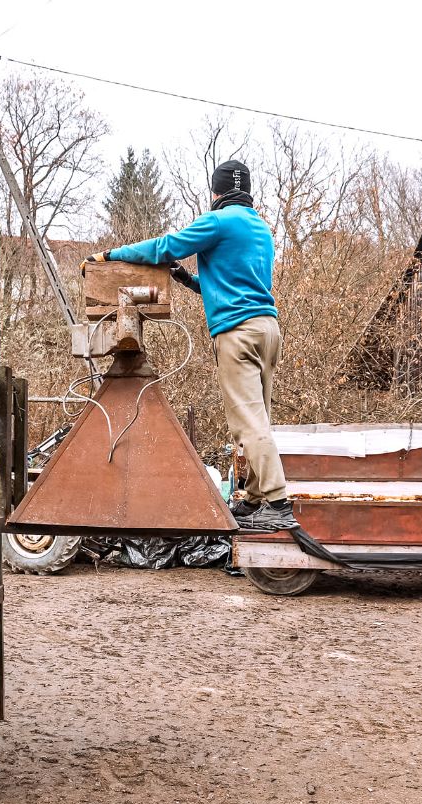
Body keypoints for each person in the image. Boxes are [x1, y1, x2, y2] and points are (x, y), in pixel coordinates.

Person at [82, 159, 297, 532]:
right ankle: (256, 500)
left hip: (238, 333)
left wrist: (111, 255)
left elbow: (165, 247)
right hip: (267, 329)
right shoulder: (260, 228)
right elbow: (232, 283)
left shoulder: (218, 221)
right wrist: (188, 279)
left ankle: (277, 503)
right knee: (258, 417)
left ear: (217, 192)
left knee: (248, 423)